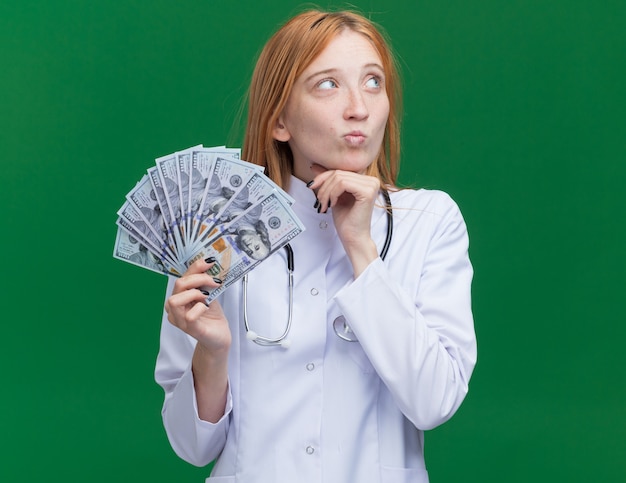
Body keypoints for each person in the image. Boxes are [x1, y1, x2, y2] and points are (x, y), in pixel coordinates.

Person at [155, 9, 476, 483]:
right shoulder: (212, 231)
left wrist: (360, 248)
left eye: (372, 82)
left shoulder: (430, 221)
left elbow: (435, 402)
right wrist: (212, 351)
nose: (359, 109)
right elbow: (192, 447)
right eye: (328, 84)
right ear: (279, 119)